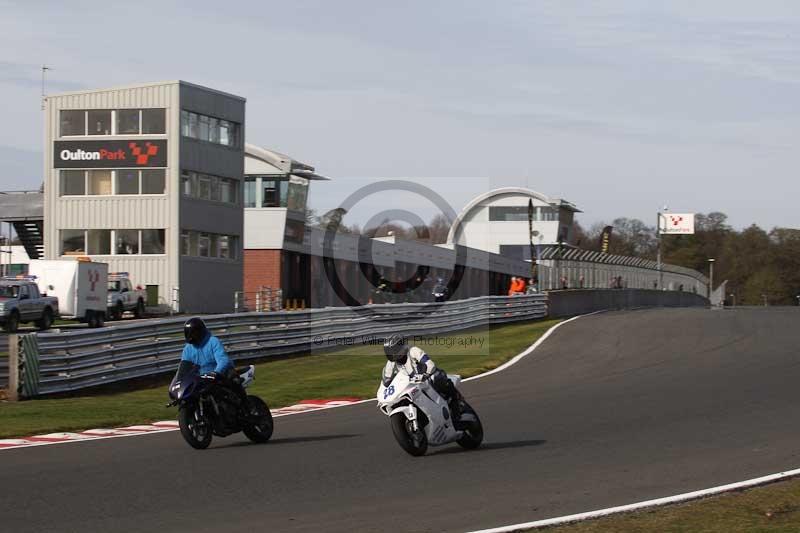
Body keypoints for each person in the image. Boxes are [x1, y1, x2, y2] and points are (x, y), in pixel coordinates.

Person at [382, 335, 461, 418]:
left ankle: (456, 411)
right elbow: (387, 378)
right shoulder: (391, 364)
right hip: (410, 387)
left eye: (394, 350)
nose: (392, 354)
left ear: (401, 347)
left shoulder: (413, 351)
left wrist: (425, 374)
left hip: (426, 379)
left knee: (438, 378)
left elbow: (429, 364)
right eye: (390, 352)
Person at [181, 317, 245, 401]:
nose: (191, 336)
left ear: (200, 331)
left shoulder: (213, 341)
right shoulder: (187, 349)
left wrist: (216, 373)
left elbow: (223, 360)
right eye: (188, 333)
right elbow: (184, 365)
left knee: (233, 380)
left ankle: (244, 403)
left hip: (221, 373)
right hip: (202, 379)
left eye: (193, 332)